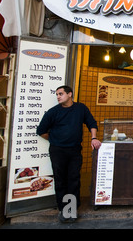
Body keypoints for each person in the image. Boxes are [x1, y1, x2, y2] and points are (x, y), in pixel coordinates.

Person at [36, 85, 101, 223]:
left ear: (70, 94)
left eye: (61, 94)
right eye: (57, 94)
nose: (58, 96)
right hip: (57, 151)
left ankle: (72, 209)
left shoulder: (80, 108)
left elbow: (91, 123)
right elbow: (41, 131)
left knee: (73, 180)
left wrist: (94, 138)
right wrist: (55, 140)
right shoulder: (53, 112)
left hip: (74, 150)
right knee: (61, 180)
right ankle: (63, 210)